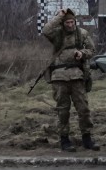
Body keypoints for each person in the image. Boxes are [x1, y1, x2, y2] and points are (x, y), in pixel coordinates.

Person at [42, 9, 99, 152]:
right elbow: (46, 30)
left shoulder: (82, 34)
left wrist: (82, 53)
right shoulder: (57, 34)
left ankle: (87, 138)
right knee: (63, 111)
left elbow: (92, 50)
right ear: (63, 23)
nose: (70, 25)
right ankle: (64, 140)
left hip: (77, 77)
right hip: (59, 77)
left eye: (72, 22)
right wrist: (59, 16)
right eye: (67, 22)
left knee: (83, 109)